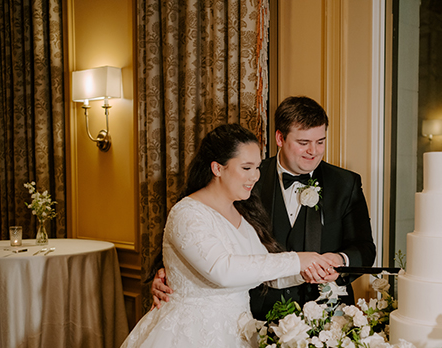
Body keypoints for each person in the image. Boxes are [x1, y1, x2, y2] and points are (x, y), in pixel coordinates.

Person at [74, 124, 335, 348]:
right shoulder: (187, 214)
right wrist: (297, 258)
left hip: (236, 340)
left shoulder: (241, 215)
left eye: (257, 167)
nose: (255, 175)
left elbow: (261, 273)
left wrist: (310, 269)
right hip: (190, 343)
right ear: (217, 168)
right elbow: (222, 271)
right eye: (247, 167)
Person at [152, 96, 376, 320]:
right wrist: (168, 273)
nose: (314, 151)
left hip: (328, 316)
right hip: (257, 314)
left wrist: (340, 260)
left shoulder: (346, 183)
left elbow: (365, 249)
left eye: (320, 141)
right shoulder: (244, 180)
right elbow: (199, 234)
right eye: (303, 142)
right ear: (280, 138)